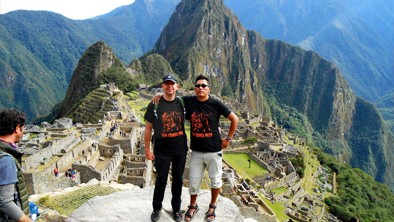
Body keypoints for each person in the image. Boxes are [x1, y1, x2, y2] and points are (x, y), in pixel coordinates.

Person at [182, 74, 238, 222]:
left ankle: (212, 205)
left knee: (215, 181)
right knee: (194, 181)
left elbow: (234, 119)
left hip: (214, 150)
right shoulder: (189, 101)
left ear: (209, 89)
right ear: (194, 88)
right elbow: (172, 97)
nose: (200, 88)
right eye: (198, 85)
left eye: (203, 86)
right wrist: (160, 95)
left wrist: (228, 139)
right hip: (197, 151)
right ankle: (193, 206)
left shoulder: (216, 104)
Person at [144, 74, 188, 222]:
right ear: (162, 86)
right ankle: (157, 208)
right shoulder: (155, 104)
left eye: (172, 84)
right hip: (161, 150)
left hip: (180, 150)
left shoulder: (182, 102)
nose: (169, 86)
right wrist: (148, 150)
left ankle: (176, 210)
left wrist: (216, 128)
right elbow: (148, 128)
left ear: (177, 87)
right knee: (161, 179)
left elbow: (201, 107)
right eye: (166, 84)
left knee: (178, 180)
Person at [0, 109, 32, 222]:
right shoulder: (6, 159)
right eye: (23, 128)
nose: (23, 132)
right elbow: (4, 201)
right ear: (17, 128)